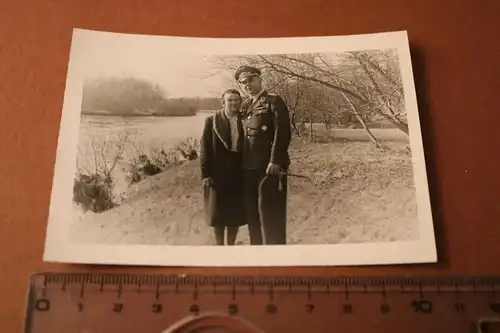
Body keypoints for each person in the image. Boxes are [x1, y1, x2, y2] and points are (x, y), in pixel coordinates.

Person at [235, 65, 292, 245]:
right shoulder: (245, 105)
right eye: (243, 82)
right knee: (253, 215)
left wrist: (275, 160)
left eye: (250, 80)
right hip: (248, 168)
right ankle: (257, 253)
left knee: (270, 216)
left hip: (269, 168)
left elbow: (282, 134)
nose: (247, 85)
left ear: (259, 79)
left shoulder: (274, 101)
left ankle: (275, 255)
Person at [199, 89, 246, 245]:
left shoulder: (245, 120)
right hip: (217, 171)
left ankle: (231, 245)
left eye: (236, 100)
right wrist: (205, 174)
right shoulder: (212, 121)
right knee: (218, 212)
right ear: (223, 102)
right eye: (230, 100)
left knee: (234, 211)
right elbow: (205, 148)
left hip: (238, 170)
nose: (233, 103)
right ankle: (220, 246)